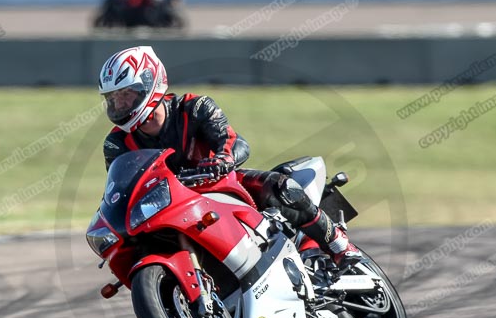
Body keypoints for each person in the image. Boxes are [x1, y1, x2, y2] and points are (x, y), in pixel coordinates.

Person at [99, 46, 361, 266]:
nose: (120, 104)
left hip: (219, 184)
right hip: (172, 206)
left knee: (283, 187)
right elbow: (122, 186)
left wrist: (223, 159)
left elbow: (233, 141)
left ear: (149, 83)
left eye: (126, 94)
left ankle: (340, 245)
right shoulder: (117, 143)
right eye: (114, 98)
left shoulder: (195, 107)